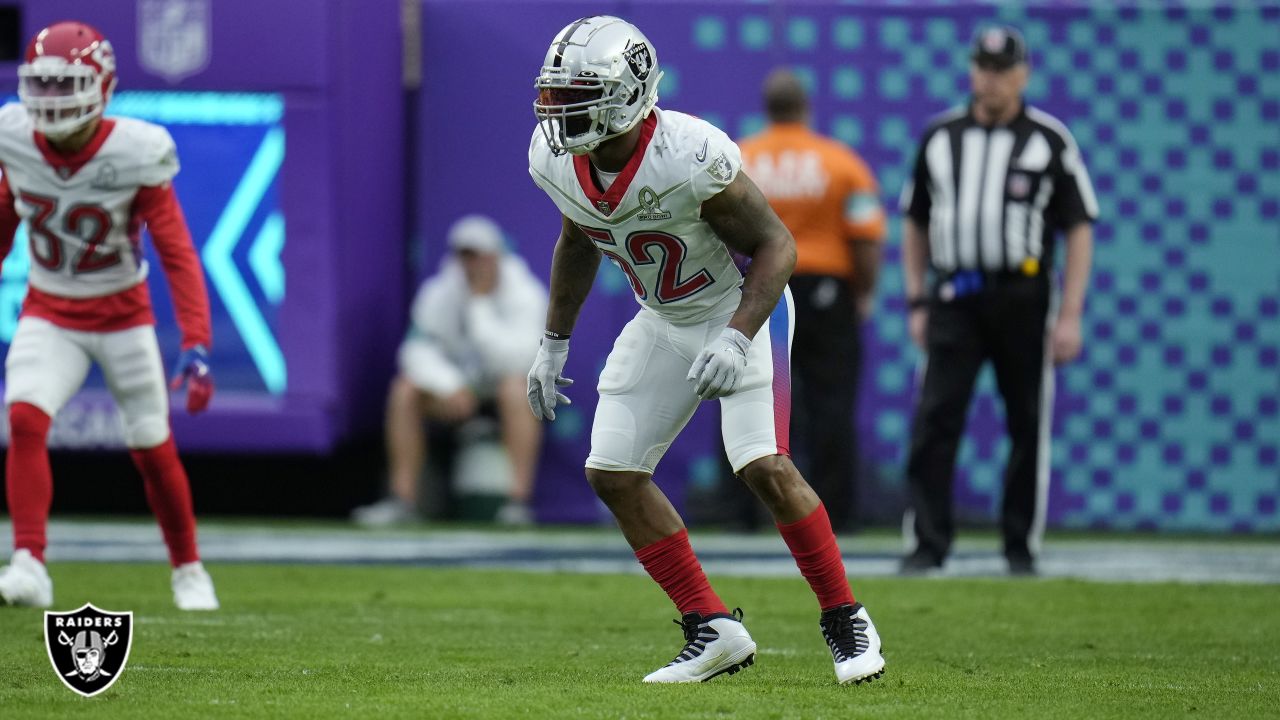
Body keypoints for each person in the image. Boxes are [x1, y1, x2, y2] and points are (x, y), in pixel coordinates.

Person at [526, 16, 883, 685]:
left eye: (578, 94)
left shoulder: (689, 152)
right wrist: (553, 342)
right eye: (556, 94)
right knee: (613, 471)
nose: (559, 110)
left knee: (763, 467)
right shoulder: (554, 159)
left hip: (740, 306)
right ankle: (712, 628)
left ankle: (845, 615)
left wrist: (738, 334)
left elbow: (778, 245)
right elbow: (577, 241)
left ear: (630, 94)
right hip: (662, 316)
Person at [0, 21, 219, 610]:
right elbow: (3, 219)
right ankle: (29, 561)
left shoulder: (136, 149)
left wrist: (196, 341)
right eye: (41, 85)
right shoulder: (13, 136)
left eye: (65, 85)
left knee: (151, 443)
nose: (50, 100)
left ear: (103, 87)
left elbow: (176, 250)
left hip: (123, 318)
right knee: (24, 416)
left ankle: (188, 568)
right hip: (50, 310)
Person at [898, 25, 1097, 576]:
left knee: (1026, 418)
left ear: (1022, 74)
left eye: (1002, 69)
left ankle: (1018, 544)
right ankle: (927, 541)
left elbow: (1079, 226)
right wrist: (917, 299)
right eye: (982, 68)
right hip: (955, 294)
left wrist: (1071, 314)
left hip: (1022, 294)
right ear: (971, 71)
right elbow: (914, 221)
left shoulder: (1049, 140)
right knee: (936, 416)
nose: (990, 79)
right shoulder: (941, 137)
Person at [739, 69, 885, 532]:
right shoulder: (840, 164)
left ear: (767, 108)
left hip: (759, 288)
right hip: (825, 291)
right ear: (806, 107)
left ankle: (744, 514)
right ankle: (834, 513)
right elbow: (866, 236)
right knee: (832, 405)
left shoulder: (740, 158)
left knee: (750, 400)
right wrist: (863, 291)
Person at [352, 215, 548, 527]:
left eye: (478, 256)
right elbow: (415, 351)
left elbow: (523, 361)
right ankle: (402, 500)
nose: (471, 265)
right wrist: (450, 385)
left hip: (502, 389)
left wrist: (480, 306)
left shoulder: (527, 294)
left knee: (516, 388)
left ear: (496, 256)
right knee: (404, 391)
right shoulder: (438, 293)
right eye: (464, 256)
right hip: (455, 394)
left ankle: (517, 503)